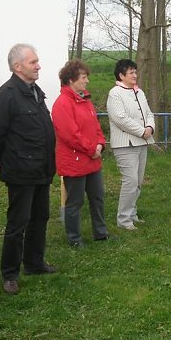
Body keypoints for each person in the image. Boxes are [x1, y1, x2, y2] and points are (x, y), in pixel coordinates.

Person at [0, 44, 57, 296]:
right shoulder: (6, 95)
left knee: (41, 217)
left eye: (37, 61)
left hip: (42, 169)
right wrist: (4, 160)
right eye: (33, 62)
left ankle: (34, 263)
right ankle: (10, 273)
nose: (38, 66)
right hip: (20, 170)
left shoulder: (35, 91)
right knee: (18, 222)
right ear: (17, 66)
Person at [51, 59, 109, 247]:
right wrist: (91, 149)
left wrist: (100, 144)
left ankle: (101, 233)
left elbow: (96, 127)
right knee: (75, 202)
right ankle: (74, 239)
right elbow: (70, 134)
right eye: (83, 77)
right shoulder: (62, 104)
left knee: (98, 197)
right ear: (71, 80)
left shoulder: (85, 100)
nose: (87, 81)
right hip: (74, 162)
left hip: (92, 159)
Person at [106, 59, 155, 230]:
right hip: (125, 144)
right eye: (131, 72)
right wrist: (141, 131)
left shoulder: (138, 92)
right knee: (130, 180)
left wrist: (150, 127)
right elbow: (120, 118)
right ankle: (124, 219)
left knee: (138, 181)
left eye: (135, 72)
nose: (135, 75)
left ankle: (132, 214)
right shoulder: (115, 93)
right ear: (121, 75)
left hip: (142, 142)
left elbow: (148, 112)